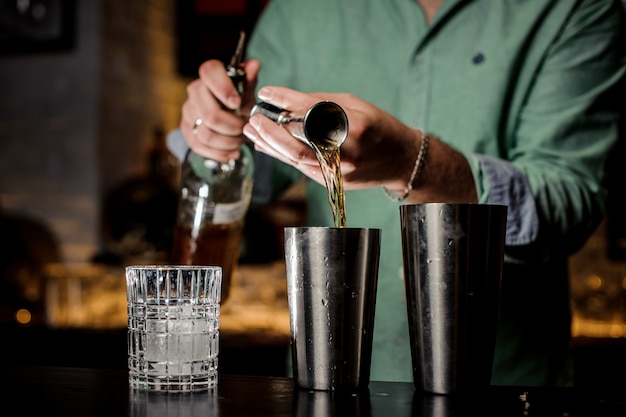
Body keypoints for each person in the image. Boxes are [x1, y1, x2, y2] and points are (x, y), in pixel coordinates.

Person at [173, 0, 626, 386]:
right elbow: (258, 175)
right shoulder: (299, 10)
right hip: (323, 382)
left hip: (502, 388)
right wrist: (217, 133)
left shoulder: (576, 8)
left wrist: (413, 162)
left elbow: (570, 204)